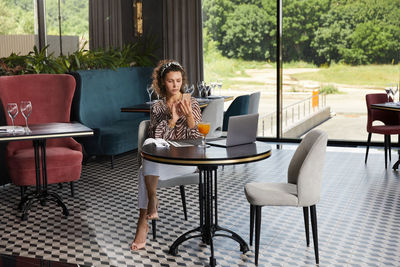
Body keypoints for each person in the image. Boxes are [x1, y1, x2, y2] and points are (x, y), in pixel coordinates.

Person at [131, 60, 202, 250]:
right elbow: (156, 140)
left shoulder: (192, 103)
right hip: (163, 160)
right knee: (148, 145)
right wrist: (172, 120)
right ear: (163, 83)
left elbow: (197, 139)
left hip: (186, 161)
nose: (175, 85)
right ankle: (152, 201)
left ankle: (143, 221)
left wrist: (188, 118)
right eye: (171, 81)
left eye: (178, 80)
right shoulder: (157, 107)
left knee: (143, 170)